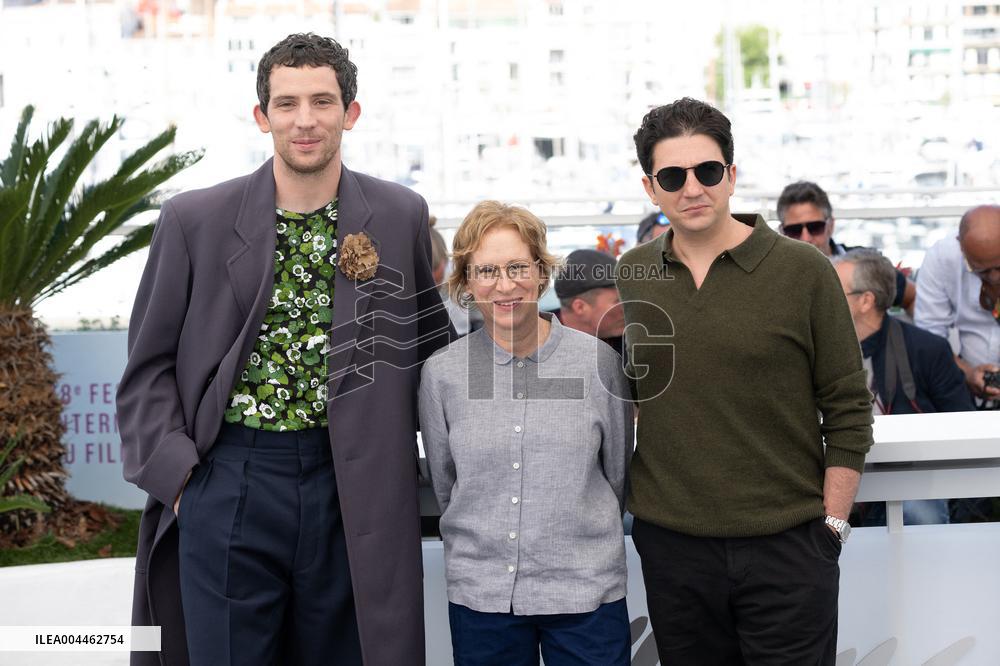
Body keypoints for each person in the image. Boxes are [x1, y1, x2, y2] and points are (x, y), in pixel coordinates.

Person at [116, 33, 453, 666]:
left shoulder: (399, 212)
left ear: (350, 113)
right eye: (287, 103)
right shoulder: (194, 219)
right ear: (262, 115)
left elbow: (435, 354)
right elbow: (148, 368)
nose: (305, 120)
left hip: (354, 486)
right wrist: (186, 483)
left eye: (322, 101)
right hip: (230, 477)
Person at [616, 97, 874, 665]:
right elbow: (638, 394)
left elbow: (848, 404)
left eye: (708, 171)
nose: (693, 188)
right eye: (672, 176)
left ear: (731, 175)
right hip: (673, 546)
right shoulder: (632, 272)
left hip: (789, 544)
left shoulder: (803, 270)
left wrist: (831, 525)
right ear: (650, 187)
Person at [419, 201, 634, 666]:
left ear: (541, 273)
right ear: (467, 284)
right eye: (487, 271)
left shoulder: (599, 363)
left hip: (586, 595)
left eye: (517, 267)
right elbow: (446, 480)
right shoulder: (443, 374)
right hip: (484, 598)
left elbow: (617, 473)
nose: (504, 285)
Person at [832, 248, 974, 526]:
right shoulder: (817, 348)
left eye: (833, 290)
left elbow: (963, 425)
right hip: (837, 470)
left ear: (865, 301)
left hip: (911, 476)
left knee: (917, 511)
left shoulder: (926, 350)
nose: (822, 297)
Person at [777, 180, 916, 312]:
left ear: (830, 226)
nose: (806, 238)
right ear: (782, 232)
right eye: (794, 230)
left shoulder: (867, 264)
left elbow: (912, 298)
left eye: (815, 227)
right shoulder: (773, 276)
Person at [915, 205, 1000, 405]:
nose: (995, 277)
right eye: (983, 271)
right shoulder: (942, 258)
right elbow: (930, 340)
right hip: (966, 384)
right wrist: (967, 372)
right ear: (961, 247)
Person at [551, 248, 626, 358]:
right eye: (618, 301)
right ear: (580, 307)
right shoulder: (534, 343)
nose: (628, 308)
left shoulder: (636, 340)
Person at [429, 215, 482, 336]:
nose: (431, 279)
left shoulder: (461, 280)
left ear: (446, 260)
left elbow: (478, 320)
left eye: (435, 269)